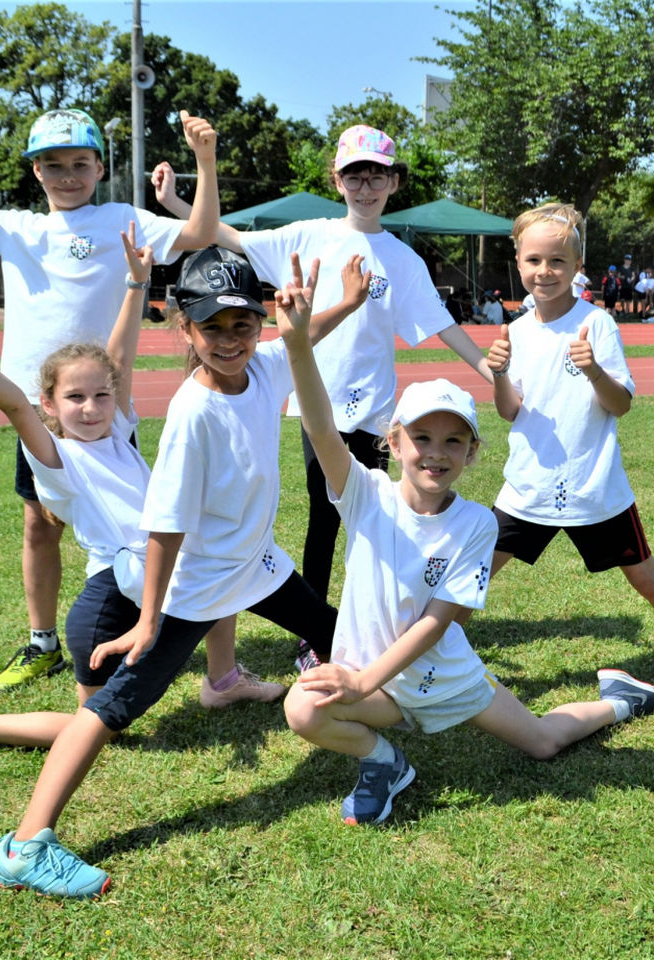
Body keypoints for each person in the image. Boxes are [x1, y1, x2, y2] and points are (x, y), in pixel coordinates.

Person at [0, 248, 349, 898]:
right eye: (213, 328)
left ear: (259, 324)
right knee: (108, 710)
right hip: (197, 585)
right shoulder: (190, 415)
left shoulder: (263, 370)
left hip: (257, 567)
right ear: (185, 329)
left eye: (242, 325)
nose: (230, 340)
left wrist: (338, 305)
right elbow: (165, 526)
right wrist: (149, 619)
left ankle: (403, 709)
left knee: (341, 632)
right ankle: (25, 845)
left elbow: (302, 340)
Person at [279, 302, 654, 826]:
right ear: (392, 443)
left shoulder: (478, 525)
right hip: (374, 679)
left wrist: (363, 682)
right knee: (302, 708)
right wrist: (299, 346)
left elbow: (439, 622)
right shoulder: (364, 494)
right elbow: (322, 427)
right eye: (421, 438)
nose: (435, 454)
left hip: (443, 675)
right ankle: (384, 766)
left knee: (544, 743)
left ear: (471, 453)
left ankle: (621, 699)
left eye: (453, 441)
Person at [155, 124, 494, 670]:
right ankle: (314, 638)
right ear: (337, 180)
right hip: (322, 415)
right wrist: (175, 200)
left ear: (393, 182)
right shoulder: (310, 235)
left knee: (377, 520)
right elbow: (225, 237)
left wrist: (488, 369)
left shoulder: (403, 261)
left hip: (379, 417)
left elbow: (440, 323)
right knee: (325, 520)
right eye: (354, 175)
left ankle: (380, 619)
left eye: (376, 175)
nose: (365, 186)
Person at [0, 108, 220, 692]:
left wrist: (205, 162)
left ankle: (144, 623)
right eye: (54, 165)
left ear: (99, 166)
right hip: (42, 409)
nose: (68, 175)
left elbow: (199, 234)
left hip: (104, 405)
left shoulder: (122, 219)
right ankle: (43, 642)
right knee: (40, 523)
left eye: (80, 164)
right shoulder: (21, 228)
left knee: (137, 525)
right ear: (36, 171)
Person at [482, 203, 654, 708]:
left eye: (557, 261)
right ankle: (429, 654)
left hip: (595, 490)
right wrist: (500, 373)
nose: (544, 272)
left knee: (646, 578)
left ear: (576, 266)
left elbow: (621, 404)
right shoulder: (517, 330)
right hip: (528, 487)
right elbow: (509, 412)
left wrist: (594, 371)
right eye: (533, 261)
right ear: (518, 261)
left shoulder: (598, 324)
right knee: (474, 570)